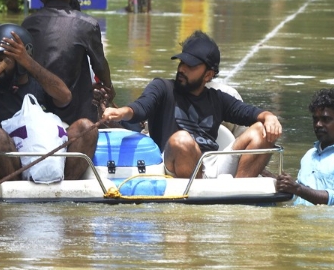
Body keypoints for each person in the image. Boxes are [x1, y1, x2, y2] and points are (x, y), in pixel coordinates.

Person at [101, 31, 282, 179]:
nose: (182, 69)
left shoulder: (218, 99)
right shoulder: (163, 88)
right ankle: (197, 195)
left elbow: (250, 113)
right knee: (182, 140)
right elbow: (140, 107)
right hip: (173, 161)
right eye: (182, 62)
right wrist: (121, 112)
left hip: (211, 163)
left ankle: (239, 195)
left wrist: (269, 117)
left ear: (208, 75)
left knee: (262, 130)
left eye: (191, 66)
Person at [0, 23, 97, 182]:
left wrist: (27, 62)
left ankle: (63, 193)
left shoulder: (40, 86)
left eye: (1, 59)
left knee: (87, 128)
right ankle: (17, 194)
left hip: (46, 166)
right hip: (3, 176)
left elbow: (65, 97)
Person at [21, 0, 115, 125]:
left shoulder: (28, 24)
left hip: (34, 112)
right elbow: (99, 65)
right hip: (77, 117)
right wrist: (109, 88)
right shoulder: (87, 24)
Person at [275, 89, 334, 206]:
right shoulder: (310, 155)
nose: (318, 124)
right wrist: (273, 178)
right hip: (304, 222)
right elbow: (299, 195)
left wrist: (297, 189)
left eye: (326, 119)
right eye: (315, 119)